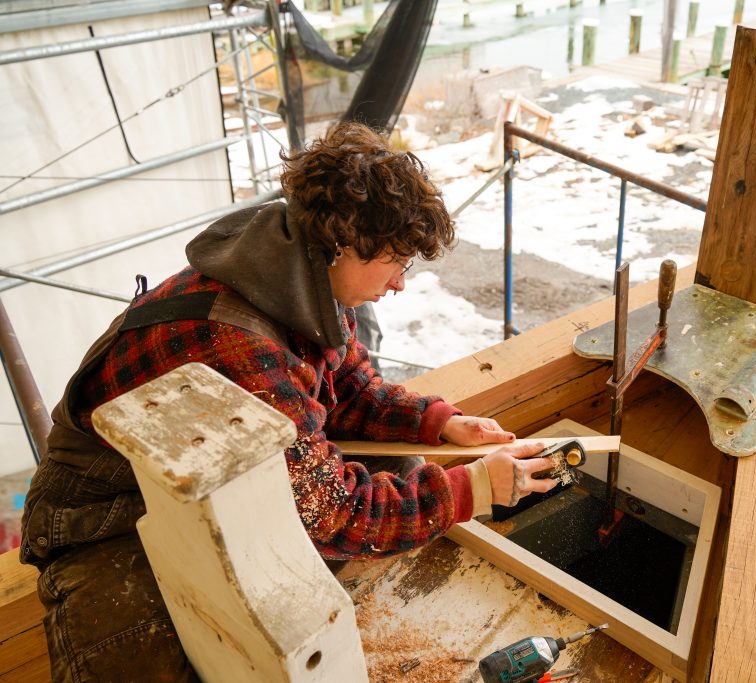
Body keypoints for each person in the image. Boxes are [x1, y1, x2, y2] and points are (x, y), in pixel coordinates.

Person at [20, 122, 558, 682]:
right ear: (343, 243)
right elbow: (332, 511)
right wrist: (475, 488)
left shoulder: (301, 277)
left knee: (402, 467)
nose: (400, 283)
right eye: (396, 261)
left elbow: (348, 389)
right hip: (110, 515)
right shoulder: (238, 346)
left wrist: (440, 422)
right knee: (156, 661)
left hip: (215, 479)